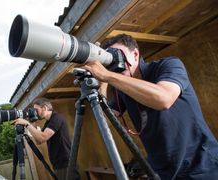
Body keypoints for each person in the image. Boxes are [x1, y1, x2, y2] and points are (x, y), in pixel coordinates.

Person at [82, 34, 218, 179]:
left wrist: (108, 75)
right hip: (163, 171)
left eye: (117, 55)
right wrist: (102, 83)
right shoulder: (121, 88)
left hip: (201, 164)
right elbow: (106, 120)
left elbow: (163, 99)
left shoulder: (168, 65)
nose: (114, 62)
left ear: (135, 54)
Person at [13, 98, 75, 180]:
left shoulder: (56, 118)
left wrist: (26, 123)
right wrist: (33, 122)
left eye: (36, 110)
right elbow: (38, 141)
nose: (35, 112)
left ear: (44, 108)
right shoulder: (48, 123)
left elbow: (43, 137)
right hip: (58, 164)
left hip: (66, 163)